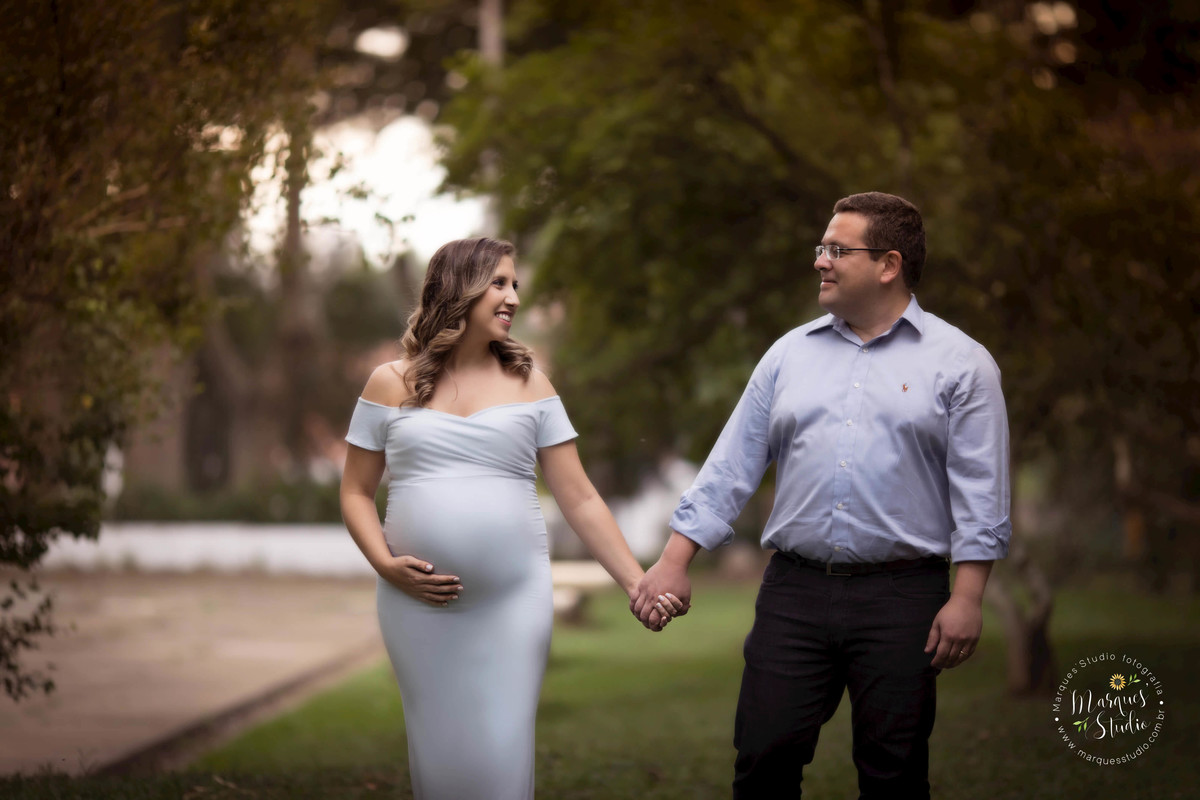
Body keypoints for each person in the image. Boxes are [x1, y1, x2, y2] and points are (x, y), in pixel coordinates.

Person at [632, 192, 1011, 798]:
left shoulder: (962, 365)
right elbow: (732, 465)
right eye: (820, 248)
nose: (820, 262)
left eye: (837, 249)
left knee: (894, 775)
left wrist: (967, 597)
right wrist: (675, 560)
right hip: (794, 594)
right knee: (762, 761)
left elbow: (981, 492)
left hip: (903, 599)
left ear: (889, 264)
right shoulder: (788, 355)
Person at [341, 237, 681, 800]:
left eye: (515, 284)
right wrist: (384, 564)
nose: (513, 297)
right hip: (417, 606)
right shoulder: (388, 382)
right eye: (499, 283)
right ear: (459, 288)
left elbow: (580, 498)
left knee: (502, 756)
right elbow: (354, 492)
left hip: (513, 602)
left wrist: (635, 582)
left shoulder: (532, 384)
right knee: (439, 762)